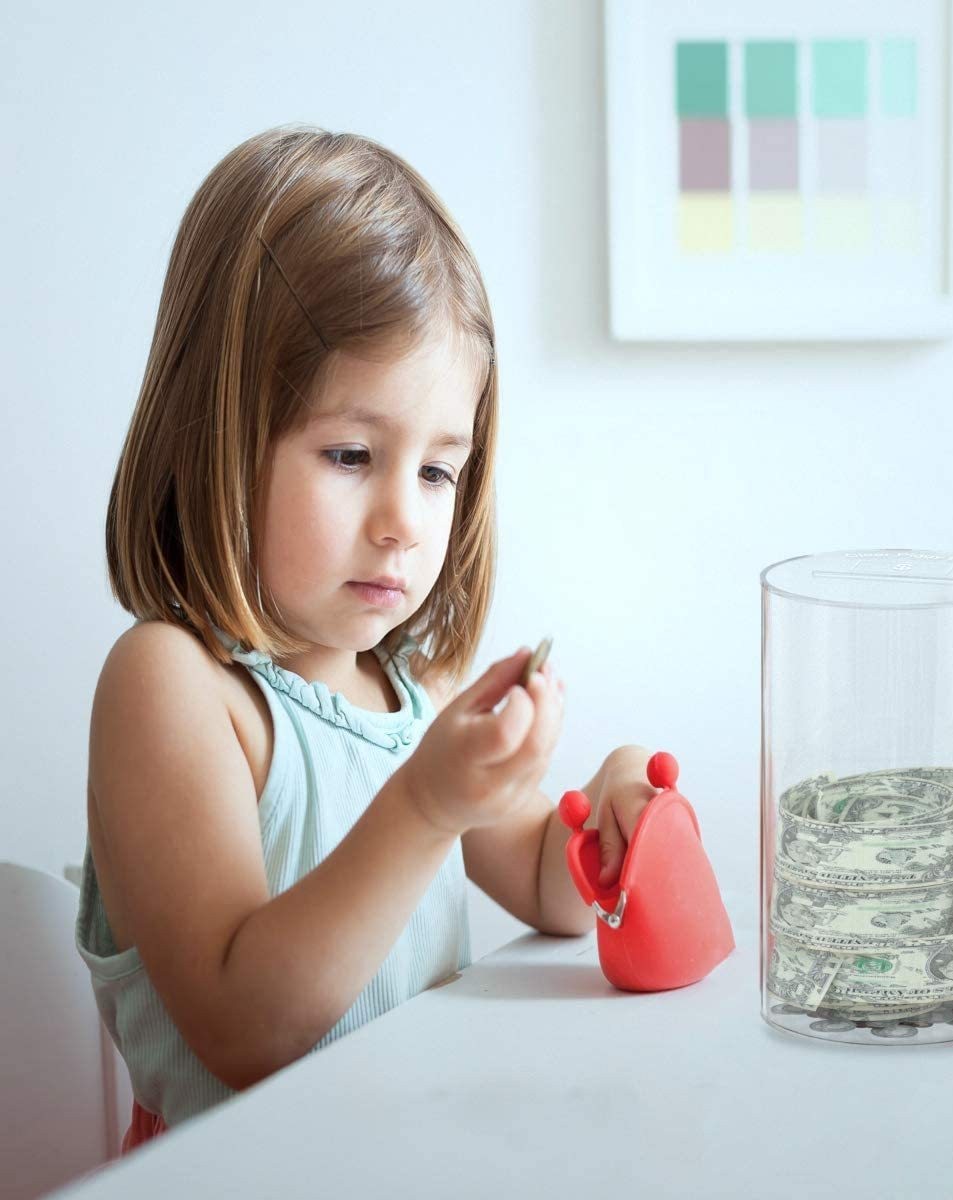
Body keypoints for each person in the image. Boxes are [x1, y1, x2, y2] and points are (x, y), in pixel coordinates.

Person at [76, 123, 655, 1151]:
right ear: (216, 433)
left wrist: (606, 826)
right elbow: (242, 1031)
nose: (404, 519)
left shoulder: (411, 691)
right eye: (351, 453)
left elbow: (547, 891)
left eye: (437, 471)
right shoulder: (174, 690)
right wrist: (426, 804)